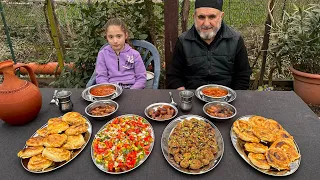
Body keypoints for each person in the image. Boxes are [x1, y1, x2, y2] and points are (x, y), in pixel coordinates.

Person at [167, 0, 252, 90]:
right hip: (192, 97)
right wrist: (184, 95)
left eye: (212, 17)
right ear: (194, 17)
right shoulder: (183, 41)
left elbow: (243, 77)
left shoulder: (235, 40)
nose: (206, 24)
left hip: (225, 99)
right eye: (201, 17)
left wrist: (231, 99)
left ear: (221, 16)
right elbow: (174, 76)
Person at [95, 18, 147, 89]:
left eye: (119, 36)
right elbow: (101, 77)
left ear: (125, 35)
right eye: (111, 37)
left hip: (132, 90)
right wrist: (110, 90)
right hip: (111, 90)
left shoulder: (135, 54)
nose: (115, 41)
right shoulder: (103, 54)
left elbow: (141, 78)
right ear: (106, 37)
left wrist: (132, 91)